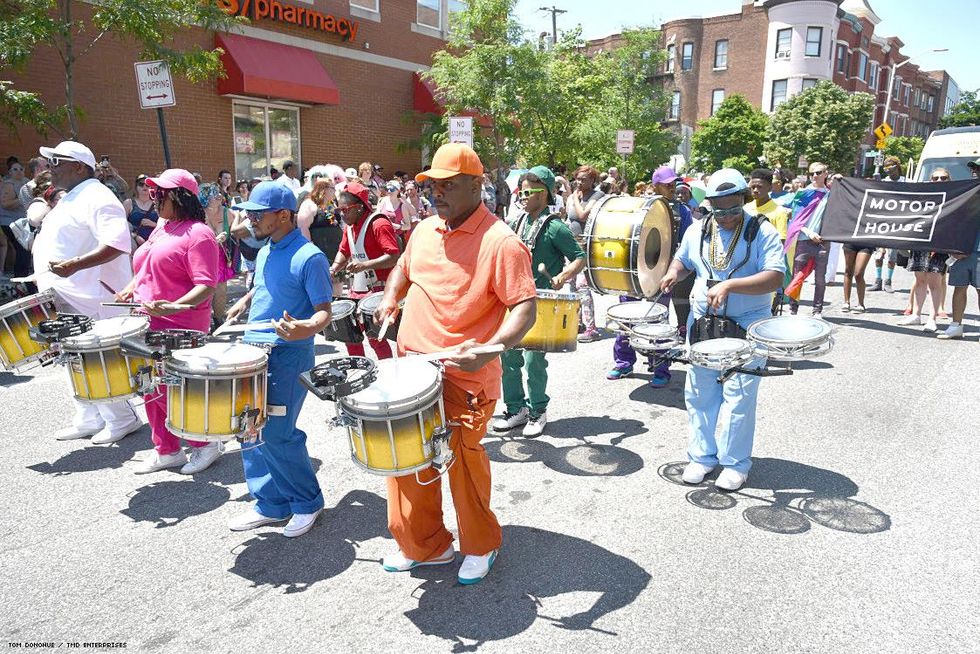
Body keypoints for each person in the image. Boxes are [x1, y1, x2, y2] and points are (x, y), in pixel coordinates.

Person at [372, 143, 537, 585]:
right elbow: (403, 269)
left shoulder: (502, 242)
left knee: (461, 463)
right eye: (431, 185)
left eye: (447, 185)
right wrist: (391, 298)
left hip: (465, 376)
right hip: (410, 371)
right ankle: (425, 544)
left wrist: (494, 346)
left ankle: (481, 544)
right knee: (407, 460)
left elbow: (524, 307)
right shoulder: (425, 229)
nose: (436, 193)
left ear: (476, 184)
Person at [659, 168, 786, 491]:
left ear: (743, 200)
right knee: (700, 393)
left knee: (739, 397)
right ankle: (702, 457)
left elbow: (775, 276)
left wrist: (731, 285)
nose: (727, 216)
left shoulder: (761, 231)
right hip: (703, 323)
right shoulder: (699, 229)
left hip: (747, 324)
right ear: (711, 204)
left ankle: (735, 463)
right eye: (720, 209)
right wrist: (674, 272)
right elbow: (683, 260)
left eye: (733, 208)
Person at [225, 181, 333, 538]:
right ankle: (270, 504)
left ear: (283, 215)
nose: (249, 219)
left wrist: (304, 328)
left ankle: (306, 501)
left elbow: (324, 313)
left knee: (277, 433)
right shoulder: (267, 249)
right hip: (253, 352)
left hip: (287, 356)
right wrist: (247, 300)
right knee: (249, 427)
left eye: (257, 214)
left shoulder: (310, 257)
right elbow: (268, 283)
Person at [113, 170, 224, 474]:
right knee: (150, 388)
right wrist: (131, 286)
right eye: (153, 194)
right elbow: (147, 265)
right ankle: (166, 450)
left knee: (172, 389)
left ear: (179, 196)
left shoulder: (198, 233)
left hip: (181, 324)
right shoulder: (164, 228)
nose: (154, 198)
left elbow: (207, 285)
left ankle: (205, 444)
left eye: (160, 194)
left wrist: (172, 307)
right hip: (149, 320)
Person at [32, 140, 141, 444]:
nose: (50, 167)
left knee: (96, 357)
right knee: (71, 356)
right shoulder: (72, 197)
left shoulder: (98, 196)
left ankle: (122, 418)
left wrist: (75, 266)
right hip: (67, 292)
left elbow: (116, 244)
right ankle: (89, 416)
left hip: (92, 294)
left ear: (79, 166)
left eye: (57, 161)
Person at [493, 166, 585, 437]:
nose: (523, 195)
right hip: (513, 300)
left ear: (544, 193)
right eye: (521, 190)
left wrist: (563, 275)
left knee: (534, 361)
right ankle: (515, 408)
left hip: (540, 303)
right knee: (508, 356)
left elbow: (579, 256)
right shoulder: (517, 221)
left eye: (529, 191)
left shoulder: (555, 227)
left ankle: (537, 410)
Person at [329, 181, 400, 360]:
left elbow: (393, 256)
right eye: (340, 211)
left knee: (375, 337)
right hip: (357, 290)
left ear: (359, 207)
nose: (342, 214)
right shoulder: (350, 228)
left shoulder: (379, 223)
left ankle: (387, 372)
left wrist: (364, 265)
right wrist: (334, 268)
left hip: (377, 289)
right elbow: (344, 251)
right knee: (350, 336)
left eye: (346, 210)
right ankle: (358, 370)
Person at [896, 167, 952, 333]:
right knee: (920, 280)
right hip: (921, 242)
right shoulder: (923, 195)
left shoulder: (954, 196)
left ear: (949, 179)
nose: (939, 181)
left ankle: (932, 318)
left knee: (935, 282)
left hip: (940, 244)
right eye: (935, 178)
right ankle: (916, 314)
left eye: (943, 178)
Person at [938, 159, 980, 339]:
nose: (975, 171)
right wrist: (952, 247)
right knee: (959, 287)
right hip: (961, 250)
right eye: (974, 168)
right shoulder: (964, 192)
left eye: (978, 168)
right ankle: (956, 325)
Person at [565, 165, 605, 343]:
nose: (579, 182)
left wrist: (573, 196)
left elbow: (582, 215)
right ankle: (578, 322)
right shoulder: (576, 196)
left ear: (593, 181)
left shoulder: (597, 196)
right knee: (572, 285)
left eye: (584, 179)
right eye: (578, 179)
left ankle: (591, 327)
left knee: (583, 285)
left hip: (586, 246)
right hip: (572, 245)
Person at [786, 162, 831, 317]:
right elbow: (795, 220)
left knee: (820, 278)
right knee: (797, 275)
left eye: (818, 172)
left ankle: (817, 310)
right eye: (811, 173)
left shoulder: (831, 194)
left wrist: (839, 179)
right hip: (804, 240)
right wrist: (808, 232)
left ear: (826, 173)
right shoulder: (803, 193)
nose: (814, 176)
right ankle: (793, 309)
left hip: (823, 241)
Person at [200, 183, 239, 325]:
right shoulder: (198, 213)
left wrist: (229, 235)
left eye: (219, 192)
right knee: (204, 290)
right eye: (213, 193)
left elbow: (237, 227)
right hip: (202, 258)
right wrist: (212, 241)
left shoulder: (226, 212)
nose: (218, 195)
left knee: (221, 290)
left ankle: (218, 319)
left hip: (221, 257)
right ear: (204, 197)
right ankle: (204, 319)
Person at [298, 178, 342, 263]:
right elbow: (303, 228)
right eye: (333, 188)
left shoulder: (330, 204)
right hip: (318, 253)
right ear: (324, 189)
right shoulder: (309, 204)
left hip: (334, 253)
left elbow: (335, 223)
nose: (335, 190)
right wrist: (310, 249)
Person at [124, 174, 159, 246]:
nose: (144, 187)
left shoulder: (157, 203)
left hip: (154, 243)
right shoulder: (129, 203)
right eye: (141, 184)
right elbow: (121, 225)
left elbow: (166, 225)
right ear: (136, 187)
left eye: (147, 185)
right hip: (133, 243)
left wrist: (154, 224)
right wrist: (134, 236)